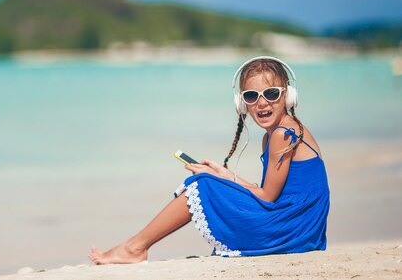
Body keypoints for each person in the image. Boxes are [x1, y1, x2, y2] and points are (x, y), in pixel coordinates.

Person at [89, 56, 330, 264]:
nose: (262, 102)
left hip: (291, 229)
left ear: (287, 95)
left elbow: (267, 197)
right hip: (298, 227)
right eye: (251, 96)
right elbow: (269, 193)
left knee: (201, 185)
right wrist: (225, 176)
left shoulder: (281, 135)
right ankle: (135, 247)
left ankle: (135, 248)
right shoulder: (279, 133)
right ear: (242, 102)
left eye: (271, 93)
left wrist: (216, 181)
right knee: (209, 181)